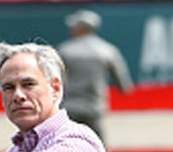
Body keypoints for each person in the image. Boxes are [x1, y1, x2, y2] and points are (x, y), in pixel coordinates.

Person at [57, 9, 134, 143]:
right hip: (95, 107)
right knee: (99, 147)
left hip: (69, 107)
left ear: (80, 28)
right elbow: (124, 86)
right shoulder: (108, 51)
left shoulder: (65, 50)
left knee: (66, 144)